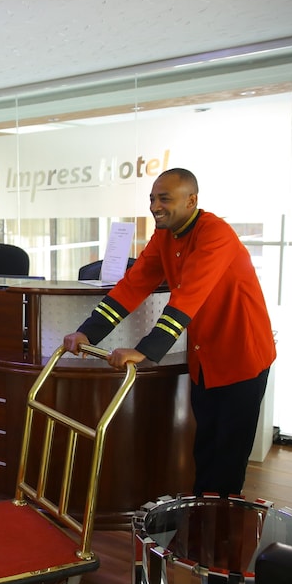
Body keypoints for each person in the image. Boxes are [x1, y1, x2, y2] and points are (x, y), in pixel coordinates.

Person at [61, 168, 276, 497]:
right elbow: (133, 284)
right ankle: (202, 517)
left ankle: (223, 524)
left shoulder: (215, 233)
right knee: (205, 450)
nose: (155, 206)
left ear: (191, 201)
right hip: (205, 358)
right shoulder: (164, 235)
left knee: (229, 458)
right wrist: (87, 333)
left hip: (242, 356)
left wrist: (144, 350)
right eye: (152, 199)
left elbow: (188, 296)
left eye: (164, 199)